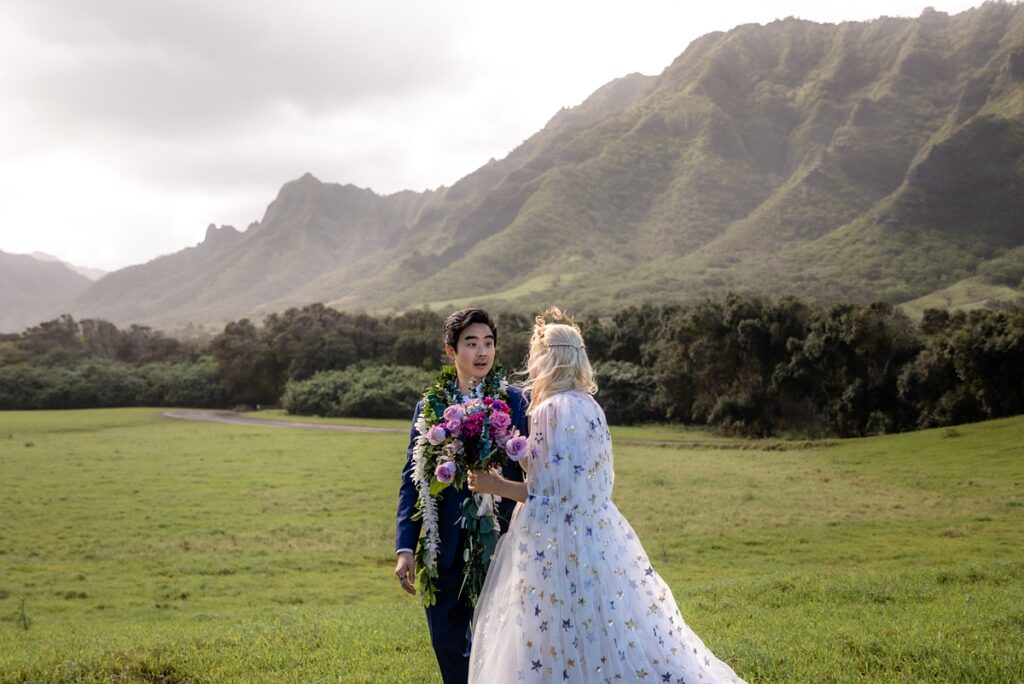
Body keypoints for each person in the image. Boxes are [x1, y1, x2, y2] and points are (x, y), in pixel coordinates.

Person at [466, 308, 747, 684]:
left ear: (547, 360)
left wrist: (495, 485)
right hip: (596, 536)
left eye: (534, 357)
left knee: (550, 631)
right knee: (601, 623)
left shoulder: (549, 410)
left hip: (554, 542)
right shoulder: (589, 406)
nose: (530, 366)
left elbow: (548, 495)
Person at [394, 308, 528, 684]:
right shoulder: (430, 407)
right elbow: (412, 479)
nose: (482, 352)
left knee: (502, 648)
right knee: (447, 645)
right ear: (451, 351)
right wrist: (406, 547)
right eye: (471, 344)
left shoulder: (517, 402)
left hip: (501, 545)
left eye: (488, 343)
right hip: (443, 547)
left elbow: (536, 473)